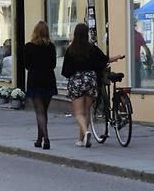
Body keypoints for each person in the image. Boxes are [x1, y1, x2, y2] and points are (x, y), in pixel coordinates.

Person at [61, 23, 124, 147]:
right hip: (91, 80)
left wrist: (74, 76)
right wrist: (117, 57)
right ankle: (80, 139)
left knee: (79, 113)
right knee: (87, 111)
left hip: (77, 81)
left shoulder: (71, 50)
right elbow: (104, 60)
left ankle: (85, 132)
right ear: (86, 34)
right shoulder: (92, 48)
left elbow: (66, 71)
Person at [23, 21, 57, 150]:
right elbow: (53, 64)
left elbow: (26, 65)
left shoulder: (28, 47)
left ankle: (46, 138)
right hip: (48, 80)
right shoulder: (51, 47)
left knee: (39, 112)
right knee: (44, 111)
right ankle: (39, 139)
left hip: (35, 80)